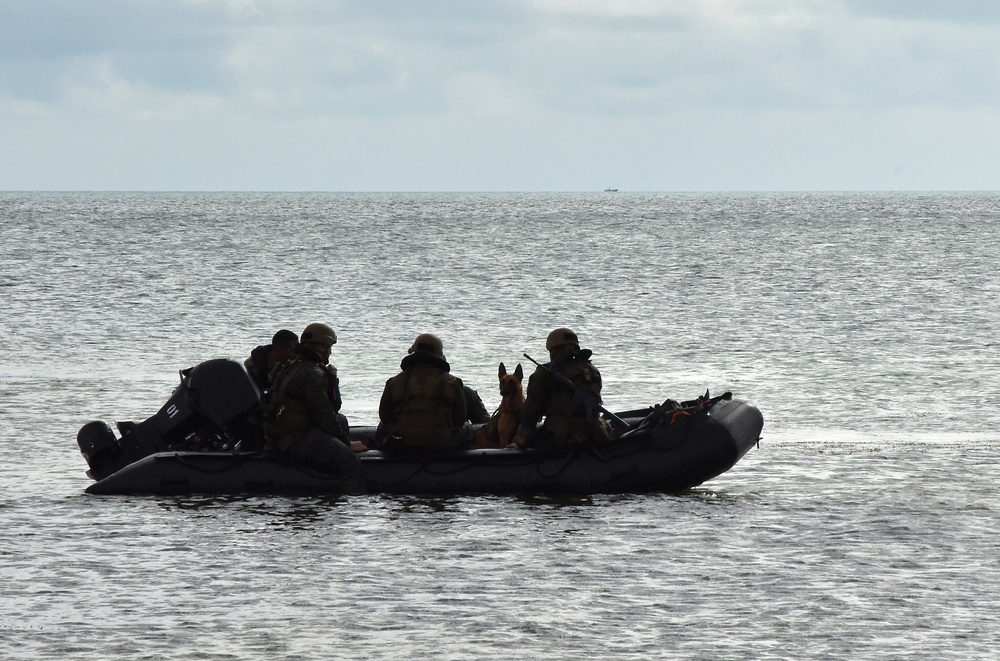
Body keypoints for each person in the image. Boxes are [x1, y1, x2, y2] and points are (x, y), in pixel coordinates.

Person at [264, 322, 365, 493]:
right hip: (297, 438)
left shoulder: (292, 366)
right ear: (321, 347)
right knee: (351, 462)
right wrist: (346, 443)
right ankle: (352, 507)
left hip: (287, 433)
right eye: (328, 347)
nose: (330, 352)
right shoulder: (312, 373)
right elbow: (324, 413)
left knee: (341, 420)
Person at [511, 327, 611, 450]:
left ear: (553, 350)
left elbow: (531, 410)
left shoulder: (545, 373)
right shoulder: (592, 371)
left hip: (561, 438)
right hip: (596, 435)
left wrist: (521, 440)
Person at [376, 333, 469, 452]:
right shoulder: (453, 382)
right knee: (468, 429)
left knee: (381, 427)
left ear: (415, 352)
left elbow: (384, 416)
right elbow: (459, 420)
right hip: (441, 445)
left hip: (403, 445)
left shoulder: (393, 381)